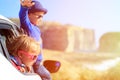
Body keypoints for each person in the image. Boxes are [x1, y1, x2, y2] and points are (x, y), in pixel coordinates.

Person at [19, 0, 52, 80]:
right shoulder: (28, 26)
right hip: (33, 62)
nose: (41, 19)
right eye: (39, 16)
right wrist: (24, 7)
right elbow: (22, 16)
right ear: (29, 15)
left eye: (42, 17)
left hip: (39, 61)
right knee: (47, 76)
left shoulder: (37, 29)